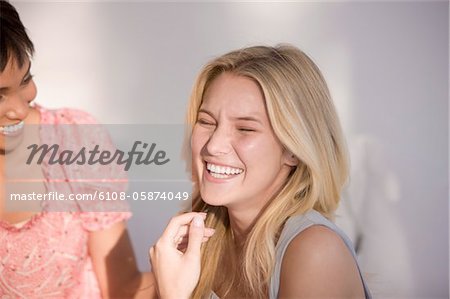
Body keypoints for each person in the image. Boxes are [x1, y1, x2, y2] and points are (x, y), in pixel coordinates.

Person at [149, 45, 372, 298]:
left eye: (245, 129)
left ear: (293, 150)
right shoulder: (199, 239)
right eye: (207, 122)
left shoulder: (316, 251)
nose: (213, 145)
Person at [0, 1, 153, 297]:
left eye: (26, 79)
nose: (19, 108)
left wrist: (209, 266)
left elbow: (123, 288)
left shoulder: (73, 140)